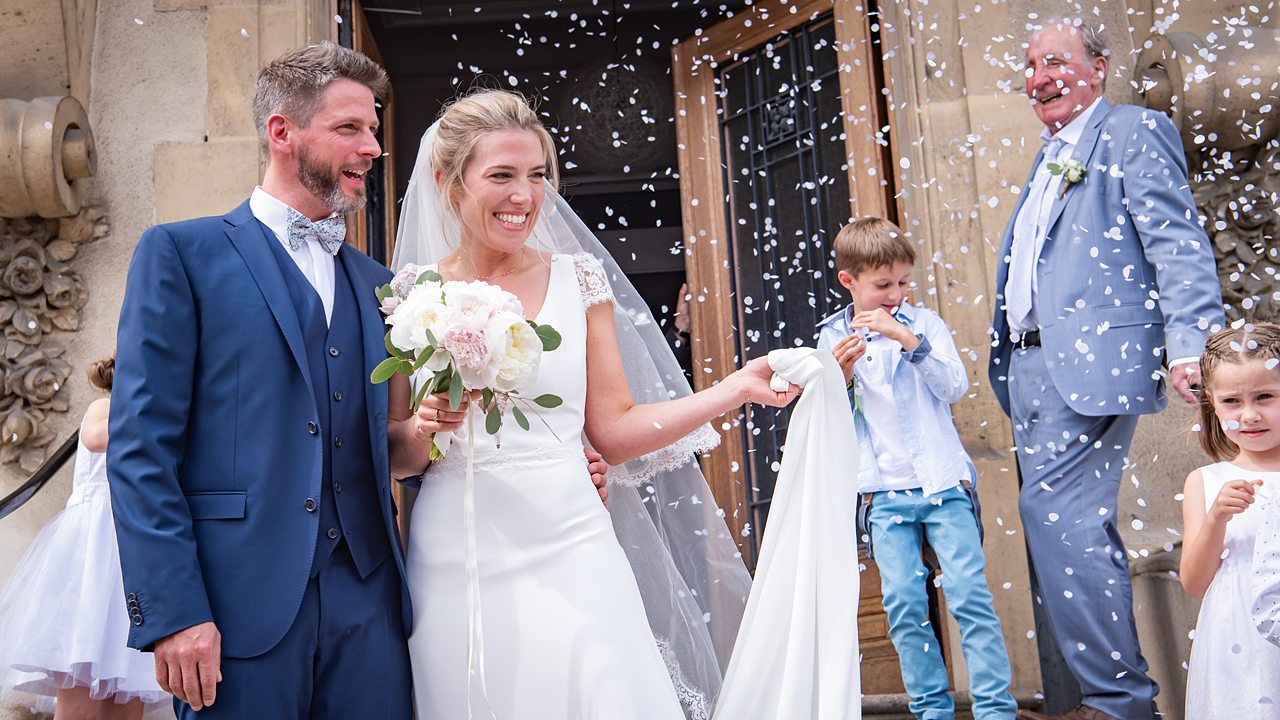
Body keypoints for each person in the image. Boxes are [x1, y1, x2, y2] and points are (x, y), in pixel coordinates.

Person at [105, 44, 611, 719]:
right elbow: (141, 450)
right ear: (281, 133)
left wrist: (549, 452)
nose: (373, 147)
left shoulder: (385, 286)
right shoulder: (182, 255)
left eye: (374, 130)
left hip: (372, 611)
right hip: (236, 610)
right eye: (351, 129)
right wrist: (173, 612)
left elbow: (395, 444)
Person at [389, 88, 797, 720]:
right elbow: (396, 454)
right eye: (501, 175)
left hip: (573, 536)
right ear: (449, 182)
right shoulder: (413, 296)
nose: (524, 196)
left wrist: (733, 389)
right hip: (457, 547)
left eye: (536, 175)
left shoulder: (580, 279)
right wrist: (425, 425)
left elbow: (612, 430)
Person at [987, 18, 1225, 720]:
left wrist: (1191, 339)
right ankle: (1112, 697)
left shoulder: (1131, 131)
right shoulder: (1047, 155)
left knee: (1056, 515)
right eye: (1030, 66)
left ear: (1099, 65)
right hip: (1030, 368)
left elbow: (1176, 240)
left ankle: (1120, 703)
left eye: (1056, 61)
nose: (1040, 77)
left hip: (1088, 361)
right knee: (1069, 523)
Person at [817, 218, 1017, 720]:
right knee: (905, 604)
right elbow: (823, 419)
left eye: (904, 282)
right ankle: (932, 710)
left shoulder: (923, 323)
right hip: (881, 493)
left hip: (943, 482)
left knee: (970, 595)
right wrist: (837, 378)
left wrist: (907, 338)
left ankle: (996, 710)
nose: (896, 293)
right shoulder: (829, 336)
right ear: (850, 281)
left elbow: (954, 388)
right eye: (883, 285)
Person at [0, 355, 168, 720]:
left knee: (127, 704)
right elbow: (95, 438)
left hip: (133, 567)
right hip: (91, 560)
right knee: (79, 710)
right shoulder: (103, 408)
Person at [1178, 322, 1280, 717]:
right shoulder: (1206, 482)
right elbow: (1195, 582)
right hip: (1238, 640)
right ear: (1213, 405)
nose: (1250, 414)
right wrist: (1216, 518)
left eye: (1265, 396)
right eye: (1232, 402)